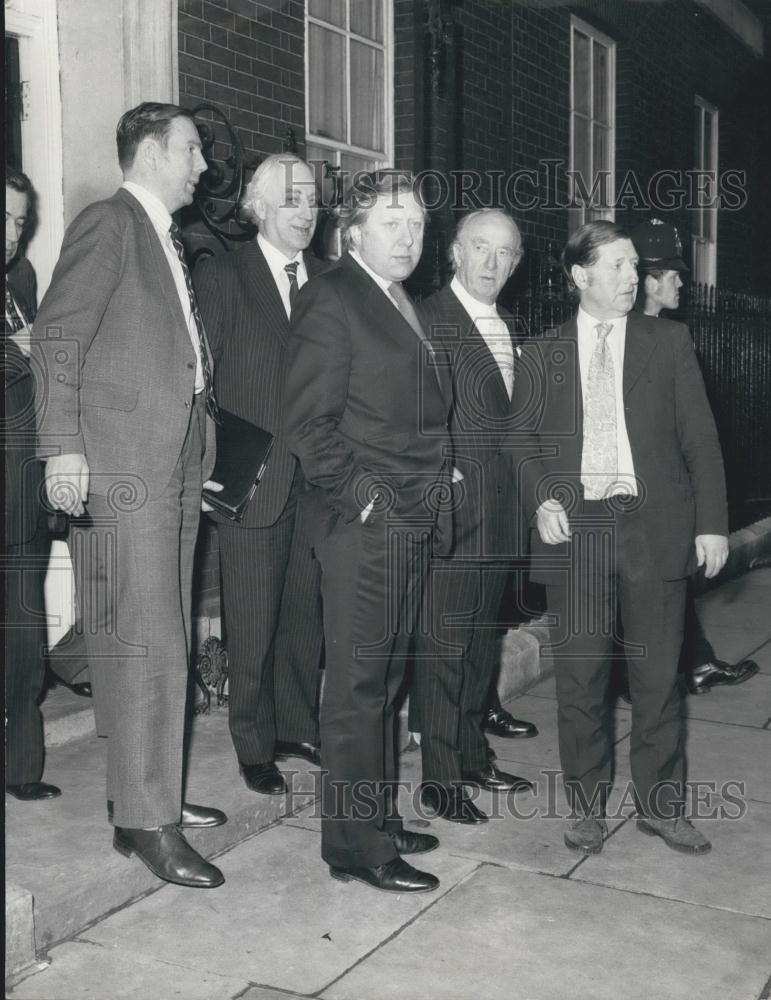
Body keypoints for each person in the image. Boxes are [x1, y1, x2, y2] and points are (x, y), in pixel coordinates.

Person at [31, 102, 227, 888]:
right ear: (149, 152)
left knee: (152, 631)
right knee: (148, 638)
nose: (202, 165)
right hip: (123, 460)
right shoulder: (109, 222)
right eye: (190, 150)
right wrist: (62, 448)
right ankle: (150, 821)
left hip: (172, 455)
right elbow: (56, 337)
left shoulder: (161, 237)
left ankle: (147, 796)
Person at [508, 220, 729, 856]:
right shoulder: (543, 352)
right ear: (580, 276)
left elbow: (701, 441)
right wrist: (541, 497)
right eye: (619, 266)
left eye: (636, 266)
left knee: (658, 677)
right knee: (581, 680)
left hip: (653, 528)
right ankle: (585, 808)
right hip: (578, 532)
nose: (633, 277)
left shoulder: (670, 342)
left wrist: (711, 523)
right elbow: (520, 443)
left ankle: (662, 808)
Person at [285, 170, 451, 894]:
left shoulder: (396, 300)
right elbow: (307, 425)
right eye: (391, 222)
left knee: (385, 686)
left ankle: (374, 817)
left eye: (415, 223)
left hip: (409, 521)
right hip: (367, 529)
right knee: (357, 689)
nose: (408, 236)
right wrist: (369, 501)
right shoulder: (331, 298)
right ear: (350, 231)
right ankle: (355, 847)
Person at [194, 154, 325, 795]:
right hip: (255, 477)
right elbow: (203, 377)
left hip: (319, 478)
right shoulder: (226, 277)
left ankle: (296, 724)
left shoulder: (326, 281)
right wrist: (210, 466)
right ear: (260, 207)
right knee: (252, 617)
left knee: (306, 612)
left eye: (313, 202)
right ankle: (253, 741)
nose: (306, 213)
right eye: (293, 200)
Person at [414, 209, 534, 825]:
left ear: (515, 263)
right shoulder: (428, 319)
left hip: (501, 519)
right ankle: (439, 780)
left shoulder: (506, 325)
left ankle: (470, 755)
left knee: (481, 646)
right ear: (456, 253)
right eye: (480, 249)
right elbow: (407, 412)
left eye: (504, 253)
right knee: (444, 652)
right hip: (456, 519)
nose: (492, 263)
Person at [628, 217, 758, 695]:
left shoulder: (664, 335)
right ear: (648, 280)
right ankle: (662, 670)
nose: (682, 282)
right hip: (638, 504)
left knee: (671, 585)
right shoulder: (635, 337)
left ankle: (695, 661)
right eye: (673, 274)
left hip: (665, 501)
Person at [4, 165, 61, 801]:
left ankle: (22, 767)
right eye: (4, 218)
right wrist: (21, 348)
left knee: (23, 635)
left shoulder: (22, 277)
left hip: (22, 484)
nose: (13, 234)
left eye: (21, 221)